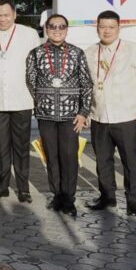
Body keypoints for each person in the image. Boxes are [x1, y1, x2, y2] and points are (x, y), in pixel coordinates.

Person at [84, 10, 136, 217]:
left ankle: (134, 202)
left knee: (131, 160)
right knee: (102, 159)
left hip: (127, 115)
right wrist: (85, 111)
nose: (106, 31)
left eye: (111, 27)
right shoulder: (89, 52)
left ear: (118, 28)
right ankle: (107, 197)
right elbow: (86, 85)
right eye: (102, 27)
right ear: (97, 28)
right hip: (99, 116)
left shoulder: (134, 50)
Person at [25, 13, 92, 217]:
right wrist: (42, 100)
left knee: (69, 157)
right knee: (51, 156)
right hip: (45, 115)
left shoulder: (77, 53)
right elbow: (31, 80)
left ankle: (69, 198)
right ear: (46, 29)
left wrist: (83, 111)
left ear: (66, 29)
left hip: (70, 115)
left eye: (61, 27)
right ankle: (56, 195)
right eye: (53, 26)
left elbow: (86, 83)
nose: (57, 30)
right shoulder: (35, 53)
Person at [0, 0, 40, 204]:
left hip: (22, 98)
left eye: (6, 15)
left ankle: (23, 188)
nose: (2, 19)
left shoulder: (29, 34)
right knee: (1, 145)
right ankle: (2, 185)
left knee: (21, 146)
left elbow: (37, 66)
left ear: (14, 14)